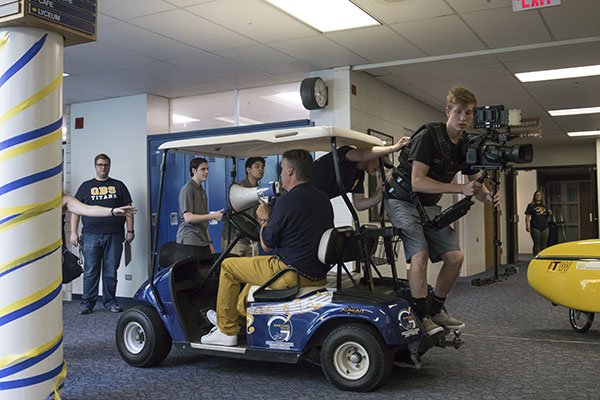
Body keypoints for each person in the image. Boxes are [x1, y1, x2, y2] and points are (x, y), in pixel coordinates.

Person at [384, 86, 500, 336]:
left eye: (468, 113)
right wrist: (459, 187)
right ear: (448, 111)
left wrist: (489, 196)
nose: (463, 119)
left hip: (427, 206)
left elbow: (477, 185)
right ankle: (420, 315)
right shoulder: (429, 136)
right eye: (458, 112)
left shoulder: (466, 145)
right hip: (401, 200)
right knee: (420, 255)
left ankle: (436, 308)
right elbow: (417, 181)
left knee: (455, 258)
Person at [201, 149, 334, 346]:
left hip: (289, 273)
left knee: (229, 267)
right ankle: (235, 319)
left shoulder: (287, 200)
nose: (280, 174)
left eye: (281, 169)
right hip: (315, 273)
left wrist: (265, 218)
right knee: (249, 273)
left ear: (289, 170)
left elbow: (266, 244)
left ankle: (226, 331)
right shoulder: (322, 198)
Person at [70, 154, 135, 314]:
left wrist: (130, 231)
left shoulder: (119, 186)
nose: (103, 168)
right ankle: (87, 303)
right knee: (91, 271)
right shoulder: (85, 186)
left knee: (110, 271)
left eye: (106, 165)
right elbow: (75, 211)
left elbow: (129, 210)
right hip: (91, 235)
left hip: (114, 235)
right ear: (95, 166)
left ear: (109, 166)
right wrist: (73, 232)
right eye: (100, 165)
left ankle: (110, 302)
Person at [311, 137, 410, 210]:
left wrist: (380, 195)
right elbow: (363, 154)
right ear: (373, 155)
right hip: (302, 194)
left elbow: (359, 204)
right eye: (380, 162)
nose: (380, 167)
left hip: (316, 202)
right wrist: (394, 147)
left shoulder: (358, 175)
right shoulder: (346, 153)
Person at [176, 157, 224, 254]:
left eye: (207, 169)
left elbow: (203, 221)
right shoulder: (187, 189)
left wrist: (210, 243)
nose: (206, 172)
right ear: (194, 170)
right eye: (203, 169)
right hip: (190, 241)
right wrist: (213, 216)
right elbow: (188, 218)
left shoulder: (201, 190)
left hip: (203, 241)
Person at [221, 157, 265, 256]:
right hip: (234, 239)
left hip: (250, 239)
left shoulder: (260, 191)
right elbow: (233, 213)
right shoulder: (238, 188)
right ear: (248, 169)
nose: (260, 169)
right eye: (257, 166)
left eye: (262, 167)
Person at [525, 190, 552, 255]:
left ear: (542, 196)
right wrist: (527, 225)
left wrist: (550, 213)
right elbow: (527, 216)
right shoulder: (531, 205)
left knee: (544, 244)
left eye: (539, 195)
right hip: (535, 226)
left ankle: (543, 257)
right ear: (534, 196)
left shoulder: (544, 205)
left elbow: (547, 215)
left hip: (545, 226)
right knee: (537, 244)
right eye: (537, 195)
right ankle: (536, 257)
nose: (538, 196)